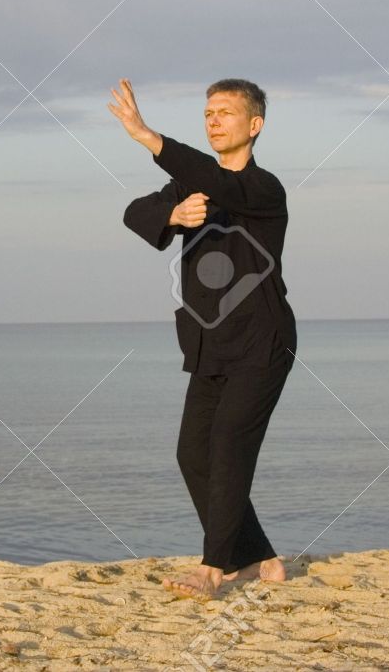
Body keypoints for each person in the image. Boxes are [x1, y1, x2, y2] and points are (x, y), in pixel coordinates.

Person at [108, 77, 297, 599]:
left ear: (254, 126)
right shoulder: (192, 186)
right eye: (208, 112)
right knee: (193, 454)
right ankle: (260, 558)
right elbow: (133, 213)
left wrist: (150, 138)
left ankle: (214, 570)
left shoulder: (263, 189)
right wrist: (172, 213)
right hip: (209, 344)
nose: (213, 120)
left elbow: (217, 183)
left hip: (263, 343)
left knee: (230, 445)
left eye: (225, 112)